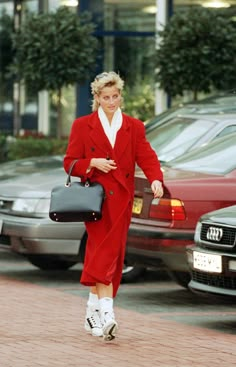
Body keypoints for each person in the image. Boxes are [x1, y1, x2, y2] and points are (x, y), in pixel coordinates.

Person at [63, 71, 164, 341]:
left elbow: (147, 156)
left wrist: (156, 179)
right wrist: (92, 164)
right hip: (95, 201)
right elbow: (69, 162)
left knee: (112, 254)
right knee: (103, 252)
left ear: (121, 96)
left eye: (115, 96)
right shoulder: (82, 126)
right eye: (105, 97)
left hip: (121, 200)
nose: (111, 102)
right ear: (96, 98)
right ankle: (108, 314)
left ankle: (90, 312)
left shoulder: (134, 126)